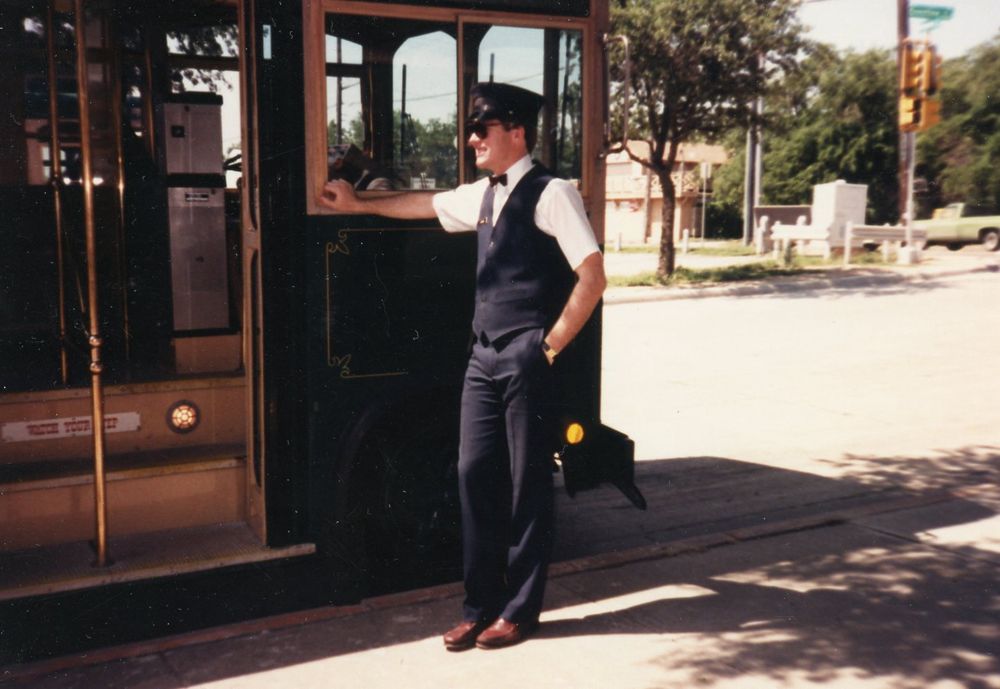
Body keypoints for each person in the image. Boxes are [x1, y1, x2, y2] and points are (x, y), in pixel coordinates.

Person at [318, 82, 606, 650]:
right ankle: (480, 607)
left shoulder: (552, 194)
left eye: (483, 128)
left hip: (526, 356)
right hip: (482, 356)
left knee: (526, 488)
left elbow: (592, 276)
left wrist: (547, 349)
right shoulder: (481, 194)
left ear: (516, 131)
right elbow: (424, 204)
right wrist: (358, 203)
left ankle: (519, 613)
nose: (472, 138)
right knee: (472, 476)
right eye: (471, 127)